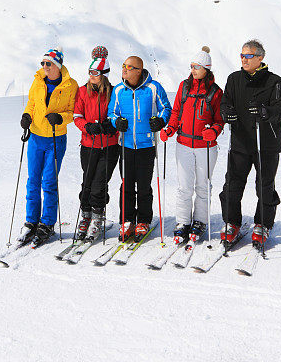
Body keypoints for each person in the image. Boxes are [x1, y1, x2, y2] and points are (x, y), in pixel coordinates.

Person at [219, 39, 281, 245]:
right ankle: (232, 223)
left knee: (264, 186)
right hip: (240, 141)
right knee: (232, 184)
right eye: (242, 55)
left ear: (260, 58)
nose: (244, 59)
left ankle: (263, 224)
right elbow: (226, 102)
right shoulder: (234, 79)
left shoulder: (274, 81)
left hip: (265, 143)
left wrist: (267, 112)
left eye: (248, 55)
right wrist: (226, 112)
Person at [160, 46, 224, 244]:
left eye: (197, 67)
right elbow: (176, 111)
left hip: (206, 146)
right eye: (191, 66)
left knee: (203, 186)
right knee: (184, 187)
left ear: (206, 68)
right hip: (184, 143)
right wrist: (170, 128)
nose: (193, 70)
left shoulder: (215, 91)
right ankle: (183, 222)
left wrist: (213, 130)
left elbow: (219, 120)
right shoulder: (184, 87)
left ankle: (200, 221)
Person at [108, 55, 171, 240]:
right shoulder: (119, 90)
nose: (124, 69)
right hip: (126, 145)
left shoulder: (153, 88)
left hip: (146, 145)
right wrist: (116, 122)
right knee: (126, 184)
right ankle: (127, 220)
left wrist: (160, 121)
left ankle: (143, 220)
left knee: (144, 185)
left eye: (129, 67)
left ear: (138, 70)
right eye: (123, 66)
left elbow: (166, 108)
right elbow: (112, 112)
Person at [19, 48, 78, 245]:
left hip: (55, 138)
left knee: (49, 181)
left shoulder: (71, 85)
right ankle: (31, 221)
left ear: (58, 66)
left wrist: (61, 118)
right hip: (36, 136)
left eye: (48, 64)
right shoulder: (37, 80)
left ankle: (47, 223)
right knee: (33, 180)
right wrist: (27, 116)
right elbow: (31, 104)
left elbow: (73, 112)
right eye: (43, 63)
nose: (44, 67)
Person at [73, 47, 119, 241]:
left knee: (99, 185)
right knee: (87, 183)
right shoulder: (83, 91)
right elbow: (77, 116)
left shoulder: (113, 92)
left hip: (108, 146)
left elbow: (118, 114)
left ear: (103, 75)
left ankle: (97, 217)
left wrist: (111, 125)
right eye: (90, 72)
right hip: (88, 145)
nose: (91, 76)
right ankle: (86, 215)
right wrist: (87, 127)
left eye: (95, 73)